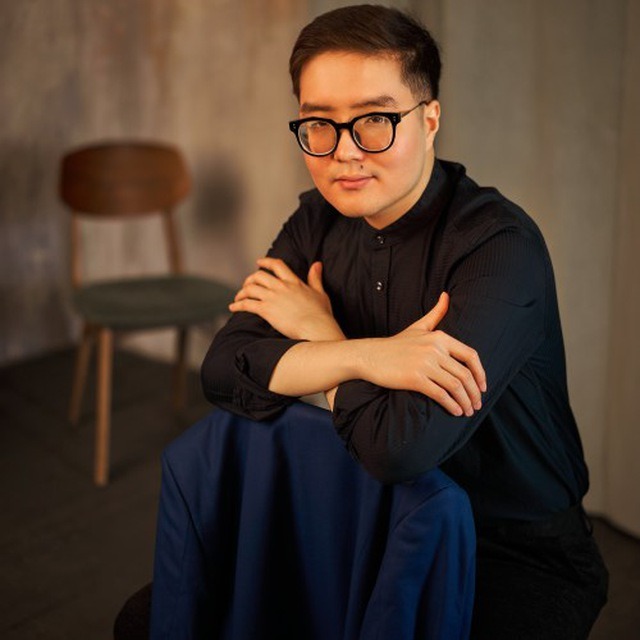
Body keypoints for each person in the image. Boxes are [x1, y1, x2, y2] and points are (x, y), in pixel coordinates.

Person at [200, 4, 608, 638]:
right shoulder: (317, 219)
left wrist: (325, 337)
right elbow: (225, 367)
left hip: (513, 549)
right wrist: (368, 356)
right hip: (367, 518)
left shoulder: (499, 247)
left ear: (430, 119)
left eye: (375, 120)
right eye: (319, 124)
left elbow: (399, 448)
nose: (344, 153)